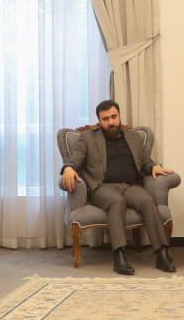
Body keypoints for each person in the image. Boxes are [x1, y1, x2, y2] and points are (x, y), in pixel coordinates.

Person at [60, 100, 176, 275]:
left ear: (119, 116)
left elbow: (145, 162)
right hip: (103, 187)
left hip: (130, 185)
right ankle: (119, 255)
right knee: (116, 201)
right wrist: (68, 168)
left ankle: (162, 253)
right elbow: (75, 160)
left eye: (114, 117)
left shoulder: (133, 137)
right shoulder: (88, 138)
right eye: (105, 119)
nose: (111, 122)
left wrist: (154, 167)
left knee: (147, 201)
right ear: (99, 121)